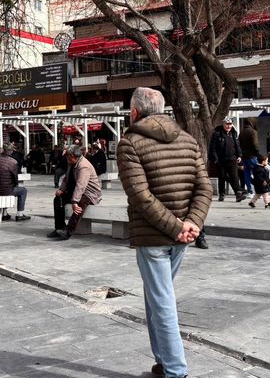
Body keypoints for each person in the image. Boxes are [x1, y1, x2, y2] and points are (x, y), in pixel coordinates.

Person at [116, 87, 211, 378]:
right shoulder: (188, 139)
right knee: (156, 296)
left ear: (134, 112)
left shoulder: (129, 143)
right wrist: (192, 223)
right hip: (182, 236)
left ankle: (176, 371)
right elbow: (204, 187)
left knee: (162, 301)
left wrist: (177, 227)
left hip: (154, 235)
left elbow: (141, 197)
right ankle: (162, 361)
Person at [49, 144, 102, 240]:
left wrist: (74, 202)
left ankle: (69, 231)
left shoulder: (83, 166)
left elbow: (81, 185)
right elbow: (66, 178)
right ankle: (59, 227)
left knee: (79, 205)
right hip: (76, 191)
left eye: (68, 157)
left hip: (90, 193)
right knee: (58, 199)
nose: (67, 160)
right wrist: (61, 189)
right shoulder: (71, 162)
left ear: (74, 156)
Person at [0, 144, 31, 221]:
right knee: (23, 190)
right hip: (5, 190)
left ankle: (4, 213)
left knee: (5, 187)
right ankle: (20, 214)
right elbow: (15, 178)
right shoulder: (13, 162)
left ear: (2, 150)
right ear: (11, 151)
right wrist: (15, 184)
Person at [209, 118, 246, 204]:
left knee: (234, 177)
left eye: (230, 124)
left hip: (232, 159)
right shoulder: (217, 133)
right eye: (227, 124)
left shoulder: (234, 133)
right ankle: (222, 194)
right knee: (222, 176)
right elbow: (212, 147)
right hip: (221, 159)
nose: (229, 126)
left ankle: (238, 194)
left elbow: (237, 145)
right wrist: (215, 158)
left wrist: (239, 155)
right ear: (223, 124)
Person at [239, 118, 260, 194]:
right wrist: (258, 154)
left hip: (244, 156)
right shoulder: (253, 132)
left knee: (246, 173)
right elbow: (255, 144)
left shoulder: (241, 132)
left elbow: (239, 145)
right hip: (252, 156)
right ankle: (259, 190)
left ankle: (249, 190)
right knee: (258, 173)